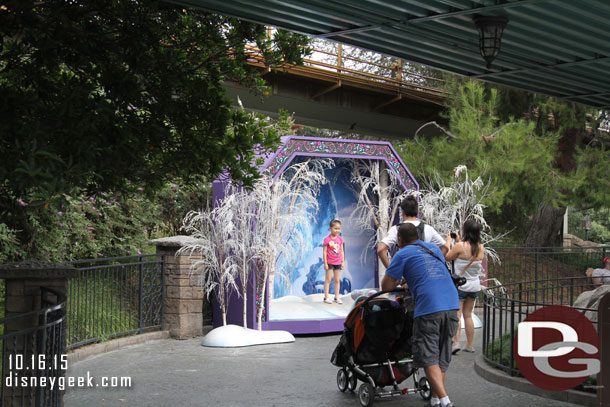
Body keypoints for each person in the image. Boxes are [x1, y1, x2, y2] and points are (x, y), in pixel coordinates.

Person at [381, 223, 459, 407]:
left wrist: (402, 280)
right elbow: (430, 272)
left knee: (428, 355)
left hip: (429, 307)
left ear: (399, 240)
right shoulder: (433, 248)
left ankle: (446, 401)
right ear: (417, 235)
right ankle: (436, 398)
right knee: (442, 353)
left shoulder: (402, 254)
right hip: (452, 303)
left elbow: (386, 286)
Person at [443, 219, 485, 354]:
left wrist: (449, 242)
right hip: (474, 285)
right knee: (468, 315)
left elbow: (447, 257)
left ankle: (456, 343)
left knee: (458, 314)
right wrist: (459, 241)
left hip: (461, 285)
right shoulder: (480, 247)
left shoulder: (460, 246)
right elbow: (469, 253)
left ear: (465, 231)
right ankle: (470, 345)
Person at [377, 195, 446, 270]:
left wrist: (392, 270)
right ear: (417, 212)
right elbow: (445, 247)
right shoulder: (428, 229)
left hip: (406, 275)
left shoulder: (396, 229)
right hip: (423, 274)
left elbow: (381, 249)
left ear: (402, 212)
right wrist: (433, 265)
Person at [323, 219, 345, 304]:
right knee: (328, 279)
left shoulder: (340, 239)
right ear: (330, 228)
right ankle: (326, 297)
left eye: (339, 228)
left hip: (338, 262)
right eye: (335, 228)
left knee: (337, 280)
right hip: (329, 262)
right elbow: (324, 251)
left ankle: (336, 297)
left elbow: (342, 251)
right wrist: (325, 263)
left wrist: (342, 262)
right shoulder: (327, 240)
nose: (337, 230)